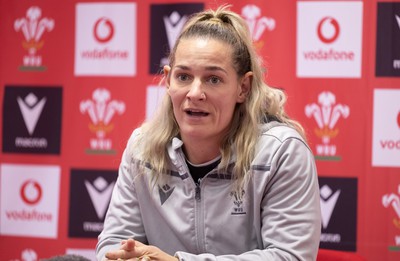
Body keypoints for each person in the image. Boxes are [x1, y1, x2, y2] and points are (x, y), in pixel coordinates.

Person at [96, 5, 321, 261]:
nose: (194, 93)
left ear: (243, 88)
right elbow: (113, 243)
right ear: (168, 81)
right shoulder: (142, 148)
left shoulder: (281, 152)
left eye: (213, 79)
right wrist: (127, 257)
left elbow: (290, 256)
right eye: (183, 77)